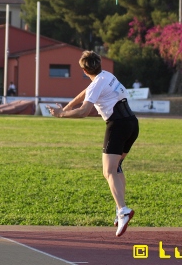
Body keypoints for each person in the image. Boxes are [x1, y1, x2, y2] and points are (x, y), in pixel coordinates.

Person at [48, 51, 139, 237]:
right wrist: (66, 107)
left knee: (108, 171)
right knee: (117, 167)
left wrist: (61, 114)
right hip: (132, 123)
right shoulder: (107, 76)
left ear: (83, 69)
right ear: (100, 64)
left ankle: (123, 210)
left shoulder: (95, 85)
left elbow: (84, 111)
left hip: (117, 126)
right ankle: (120, 208)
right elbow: (86, 93)